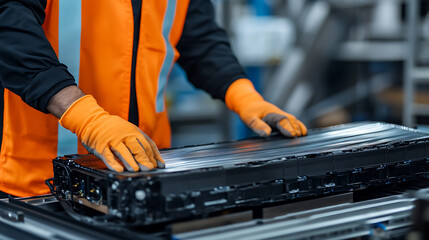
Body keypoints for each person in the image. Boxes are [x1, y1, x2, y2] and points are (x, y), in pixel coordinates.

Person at [0, 0, 307, 197]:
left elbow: (199, 40)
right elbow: (10, 27)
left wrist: (245, 96)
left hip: (146, 174)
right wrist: (85, 116)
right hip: (43, 183)